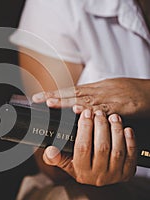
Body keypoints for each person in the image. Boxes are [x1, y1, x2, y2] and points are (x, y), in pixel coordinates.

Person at [10, 0, 150, 199]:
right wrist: (73, 163)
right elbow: (46, 153)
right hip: (122, 187)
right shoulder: (60, 5)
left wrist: (144, 93)